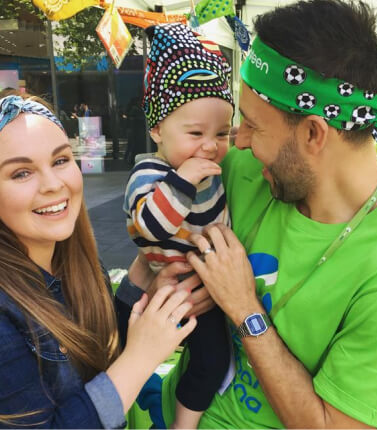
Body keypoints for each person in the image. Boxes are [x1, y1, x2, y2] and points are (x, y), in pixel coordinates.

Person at [116, 1, 377, 428]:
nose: (237, 143)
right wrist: (164, 266)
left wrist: (245, 308)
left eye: (249, 125)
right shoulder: (241, 170)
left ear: (312, 133)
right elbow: (158, 231)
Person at [0, 91, 197, 428]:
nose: (53, 184)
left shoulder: (71, 263)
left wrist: (140, 282)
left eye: (61, 160)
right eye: (21, 173)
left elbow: (91, 355)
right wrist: (142, 357)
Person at [122, 23, 234, 429]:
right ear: (156, 130)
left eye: (222, 133)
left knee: (211, 361)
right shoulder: (149, 174)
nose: (210, 145)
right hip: (170, 295)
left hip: (205, 292)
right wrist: (182, 181)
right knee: (197, 360)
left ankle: (175, 415)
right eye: (195, 133)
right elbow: (148, 227)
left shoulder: (213, 168)